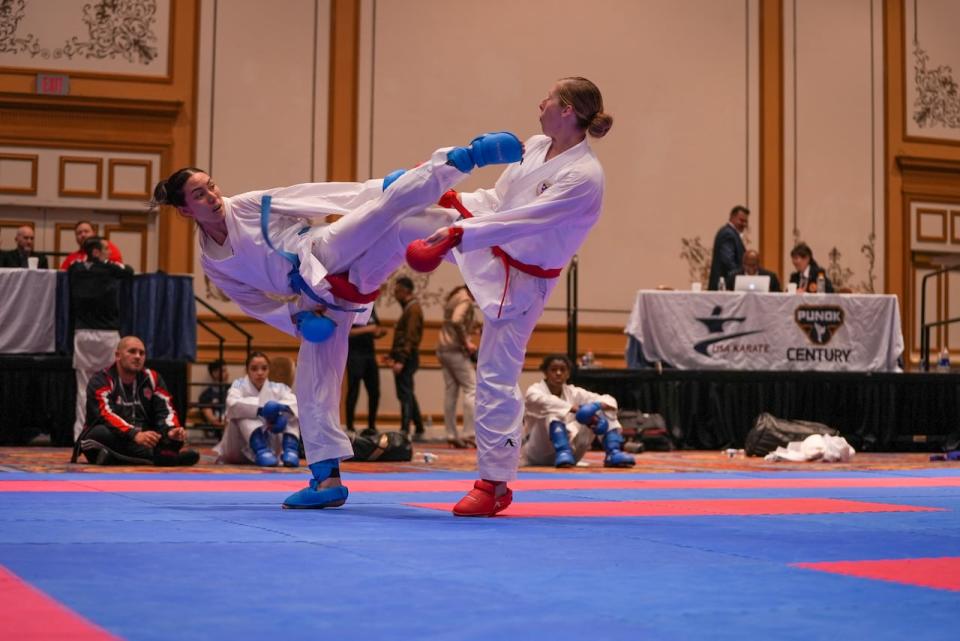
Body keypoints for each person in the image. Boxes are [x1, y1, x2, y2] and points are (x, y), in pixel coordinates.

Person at [150, 131, 521, 509]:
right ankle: (326, 479)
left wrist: (376, 189)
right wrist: (296, 320)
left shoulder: (246, 205)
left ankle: (463, 162)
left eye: (210, 186)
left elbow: (317, 195)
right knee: (312, 385)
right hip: (325, 297)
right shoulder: (211, 261)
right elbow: (252, 302)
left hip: (321, 250)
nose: (212, 196)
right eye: (199, 195)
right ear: (185, 211)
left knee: (383, 210)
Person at [405, 76, 614, 516]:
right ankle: (343, 283)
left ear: (568, 112)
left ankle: (494, 482)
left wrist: (457, 232)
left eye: (550, 98)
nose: (540, 102)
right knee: (403, 217)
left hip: (524, 278)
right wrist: (456, 200)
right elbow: (499, 200)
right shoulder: (536, 145)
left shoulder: (584, 176)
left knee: (495, 374)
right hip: (489, 244)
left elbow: (523, 220)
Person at [72, 336, 199, 466]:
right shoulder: (100, 380)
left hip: (143, 439)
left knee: (173, 439)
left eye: (142, 353)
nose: (138, 356)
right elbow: (105, 414)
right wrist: (134, 434)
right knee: (99, 433)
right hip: (111, 437)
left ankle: (115, 459)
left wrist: (171, 430)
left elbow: (166, 410)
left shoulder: (153, 378)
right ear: (118, 356)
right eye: (132, 351)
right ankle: (166, 459)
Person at [68, 236, 134, 440]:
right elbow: (128, 272)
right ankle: (115, 432)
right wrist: (106, 262)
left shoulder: (76, 270)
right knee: (112, 384)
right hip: (107, 335)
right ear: (96, 252)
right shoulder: (110, 269)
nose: (109, 253)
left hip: (83, 334)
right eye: (105, 250)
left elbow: (72, 267)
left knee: (83, 388)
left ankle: (80, 435)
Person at [522, 354, 634, 468]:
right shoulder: (534, 391)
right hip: (539, 453)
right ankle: (563, 451)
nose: (558, 373)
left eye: (562, 370)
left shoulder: (574, 392)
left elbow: (609, 399)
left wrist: (596, 406)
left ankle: (613, 452)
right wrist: (577, 409)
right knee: (554, 412)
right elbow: (547, 402)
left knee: (600, 411)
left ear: (568, 373)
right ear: (545, 372)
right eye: (553, 369)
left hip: (571, 455)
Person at [215, 351, 301, 467]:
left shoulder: (277, 387)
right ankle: (261, 450)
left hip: (271, 442)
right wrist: (261, 410)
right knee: (244, 413)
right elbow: (232, 404)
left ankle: (290, 450)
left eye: (264, 368)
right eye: (254, 369)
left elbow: (293, 402)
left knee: (290, 412)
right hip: (239, 446)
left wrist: (279, 411)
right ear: (247, 370)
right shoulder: (238, 385)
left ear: (268, 370)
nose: (260, 373)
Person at [437, 285, 479, 448]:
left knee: (451, 391)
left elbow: (452, 320)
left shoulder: (457, 295)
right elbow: (456, 320)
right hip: (454, 349)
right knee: (471, 388)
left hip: (442, 347)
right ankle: (469, 433)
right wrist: (466, 342)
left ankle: (451, 433)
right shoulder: (466, 300)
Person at [387, 276, 425, 441]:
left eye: (397, 291)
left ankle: (405, 429)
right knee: (407, 391)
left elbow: (410, 337)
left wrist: (401, 359)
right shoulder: (410, 308)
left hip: (407, 357)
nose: (394, 294)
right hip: (406, 356)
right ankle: (419, 426)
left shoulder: (413, 310)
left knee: (404, 393)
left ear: (405, 291)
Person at [345, 307, 386, 436]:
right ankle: (350, 426)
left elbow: (376, 328)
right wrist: (368, 329)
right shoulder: (353, 307)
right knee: (353, 392)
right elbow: (347, 332)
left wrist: (379, 332)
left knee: (374, 391)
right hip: (355, 355)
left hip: (370, 354)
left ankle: (372, 425)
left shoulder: (372, 308)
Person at [707, 205, 748, 290]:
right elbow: (728, 262)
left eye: (745, 221)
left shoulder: (731, 233)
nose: (744, 224)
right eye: (741, 220)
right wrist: (742, 278)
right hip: (724, 285)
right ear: (732, 217)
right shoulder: (728, 234)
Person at [198, 358, 228, 429]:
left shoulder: (232, 390)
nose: (227, 373)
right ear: (214, 373)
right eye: (223, 371)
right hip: (215, 433)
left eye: (226, 370)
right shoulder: (206, 395)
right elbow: (212, 419)